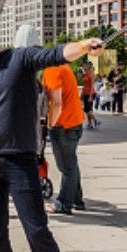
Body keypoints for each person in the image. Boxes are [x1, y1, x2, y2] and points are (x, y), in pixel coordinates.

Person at [0, 15, 104, 252]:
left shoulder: (20, 58)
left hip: (20, 161)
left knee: (37, 231)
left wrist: (83, 46)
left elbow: (55, 54)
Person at [42, 62, 87, 215]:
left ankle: (63, 204)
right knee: (71, 163)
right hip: (74, 122)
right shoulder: (64, 67)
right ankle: (76, 200)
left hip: (63, 125)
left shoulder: (52, 70)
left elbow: (56, 102)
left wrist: (50, 124)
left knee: (67, 167)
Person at [80, 62, 99, 129]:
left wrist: (90, 96)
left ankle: (96, 121)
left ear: (89, 66)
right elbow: (84, 85)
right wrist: (82, 93)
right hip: (85, 93)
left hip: (90, 93)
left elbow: (92, 86)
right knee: (89, 110)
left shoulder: (91, 73)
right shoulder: (85, 73)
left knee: (87, 109)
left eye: (85, 65)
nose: (83, 66)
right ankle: (89, 123)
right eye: (83, 65)